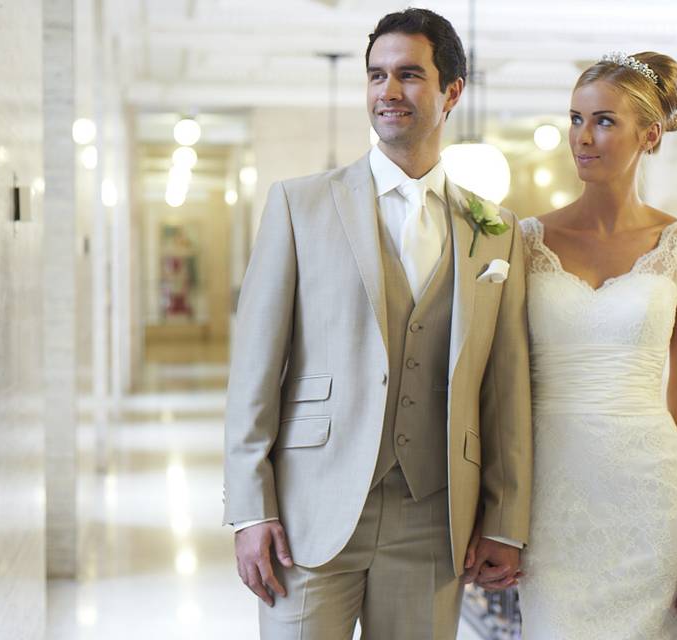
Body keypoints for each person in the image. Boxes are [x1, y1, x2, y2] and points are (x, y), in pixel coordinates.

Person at [222, 8, 532, 639]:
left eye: (409, 75)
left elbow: (506, 387)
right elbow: (254, 368)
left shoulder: (494, 230)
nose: (388, 92)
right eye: (376, 75)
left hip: (434, 516)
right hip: (311, 508)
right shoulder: (298, 204)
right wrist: (250, 509)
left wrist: (504, 518)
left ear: (452, 92)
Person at [481, 51, 677, 638]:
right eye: (575, 119)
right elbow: (499, 381)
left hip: (651, 499)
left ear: (650, 134)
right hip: (551, 501)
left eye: (604, 121)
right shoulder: (525, 239)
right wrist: (496, 515)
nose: (582, 138)